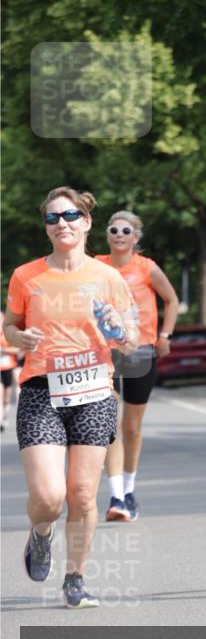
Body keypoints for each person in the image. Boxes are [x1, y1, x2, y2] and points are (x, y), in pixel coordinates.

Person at [3, 188, 138, 608]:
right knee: (49, 497)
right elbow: (10, 326)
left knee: (82, 494)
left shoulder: (108, 277)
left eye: (70, 215)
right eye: (52, 218)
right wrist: (18, 336)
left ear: (86, 223)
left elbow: (130, 341)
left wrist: (117, 329)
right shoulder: (27, 276)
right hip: (42, 390)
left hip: (94, 390)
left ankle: (75, 579)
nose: (62, 223)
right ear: (46, 226)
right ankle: (41, 534)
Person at [96, 210, 179, 522]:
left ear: (136, 237)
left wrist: (165, 335)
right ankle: (116, 496)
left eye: (126, 230)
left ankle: (129, 490)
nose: (119, 234)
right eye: (114, 229)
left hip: (141, 351)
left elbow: (171, 299)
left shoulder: (147, 268)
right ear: (107, 235)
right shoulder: (96, 267)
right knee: (109, 424)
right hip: (104, 353)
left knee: (131, 426)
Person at [0, 311, 20, 430]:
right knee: (0, 396)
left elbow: (17, 350)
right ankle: (1, 421)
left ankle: (5, 415)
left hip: (9, 367)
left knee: (7, 398)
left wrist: (4, 350)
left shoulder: (8, 334)